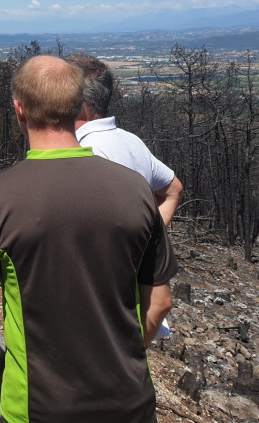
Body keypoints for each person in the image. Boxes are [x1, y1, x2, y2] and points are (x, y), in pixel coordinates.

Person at [0, 56, 177, 423]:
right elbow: (160, 302)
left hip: (37, 406)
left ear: (19, 110)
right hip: (127, 401)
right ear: (78, 106)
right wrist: (125, 353)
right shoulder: (134, 189)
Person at [67, 52, 183, 339]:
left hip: (97, 305)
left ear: (79, 106)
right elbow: (173, 190)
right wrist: (147, 242)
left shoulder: (86, 152)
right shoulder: (130, 141)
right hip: (128, 296)